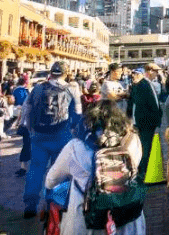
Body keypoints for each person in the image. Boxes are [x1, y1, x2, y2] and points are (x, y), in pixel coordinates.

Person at [44, 99, 146, 235]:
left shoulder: (75, 147)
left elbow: (51, 180)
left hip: (87, 220)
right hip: (128, 216)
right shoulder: (132, 140)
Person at [21, 61, 78, 218]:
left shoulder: (37, 88)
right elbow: (77, 113)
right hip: (61, 134)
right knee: (58, 170)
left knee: (35, 169)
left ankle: (30, 204)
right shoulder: (70, 89)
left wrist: (29, 129)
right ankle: (53, 204)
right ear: (66, 73)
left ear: (51, 73)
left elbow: (26, 109)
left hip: (39, 135)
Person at [129, 65, 162, 178]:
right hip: (146, 121)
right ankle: (143, 170)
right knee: (146, 145)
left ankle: (143, 169)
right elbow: (147, 104)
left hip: (144, 121)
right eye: (156, 71)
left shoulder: (144, 84)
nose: (157, 74)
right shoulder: (143, 84)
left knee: (145, 145)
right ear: (148, 71)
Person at [12, 76, 32, 178]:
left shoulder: (30, 96)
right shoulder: (28, 96)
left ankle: (26, 168)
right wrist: (19, 122)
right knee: (26, 146)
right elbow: (23, 110)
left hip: (34, 127)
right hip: (27, 126)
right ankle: (23, 168)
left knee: (29, 147)